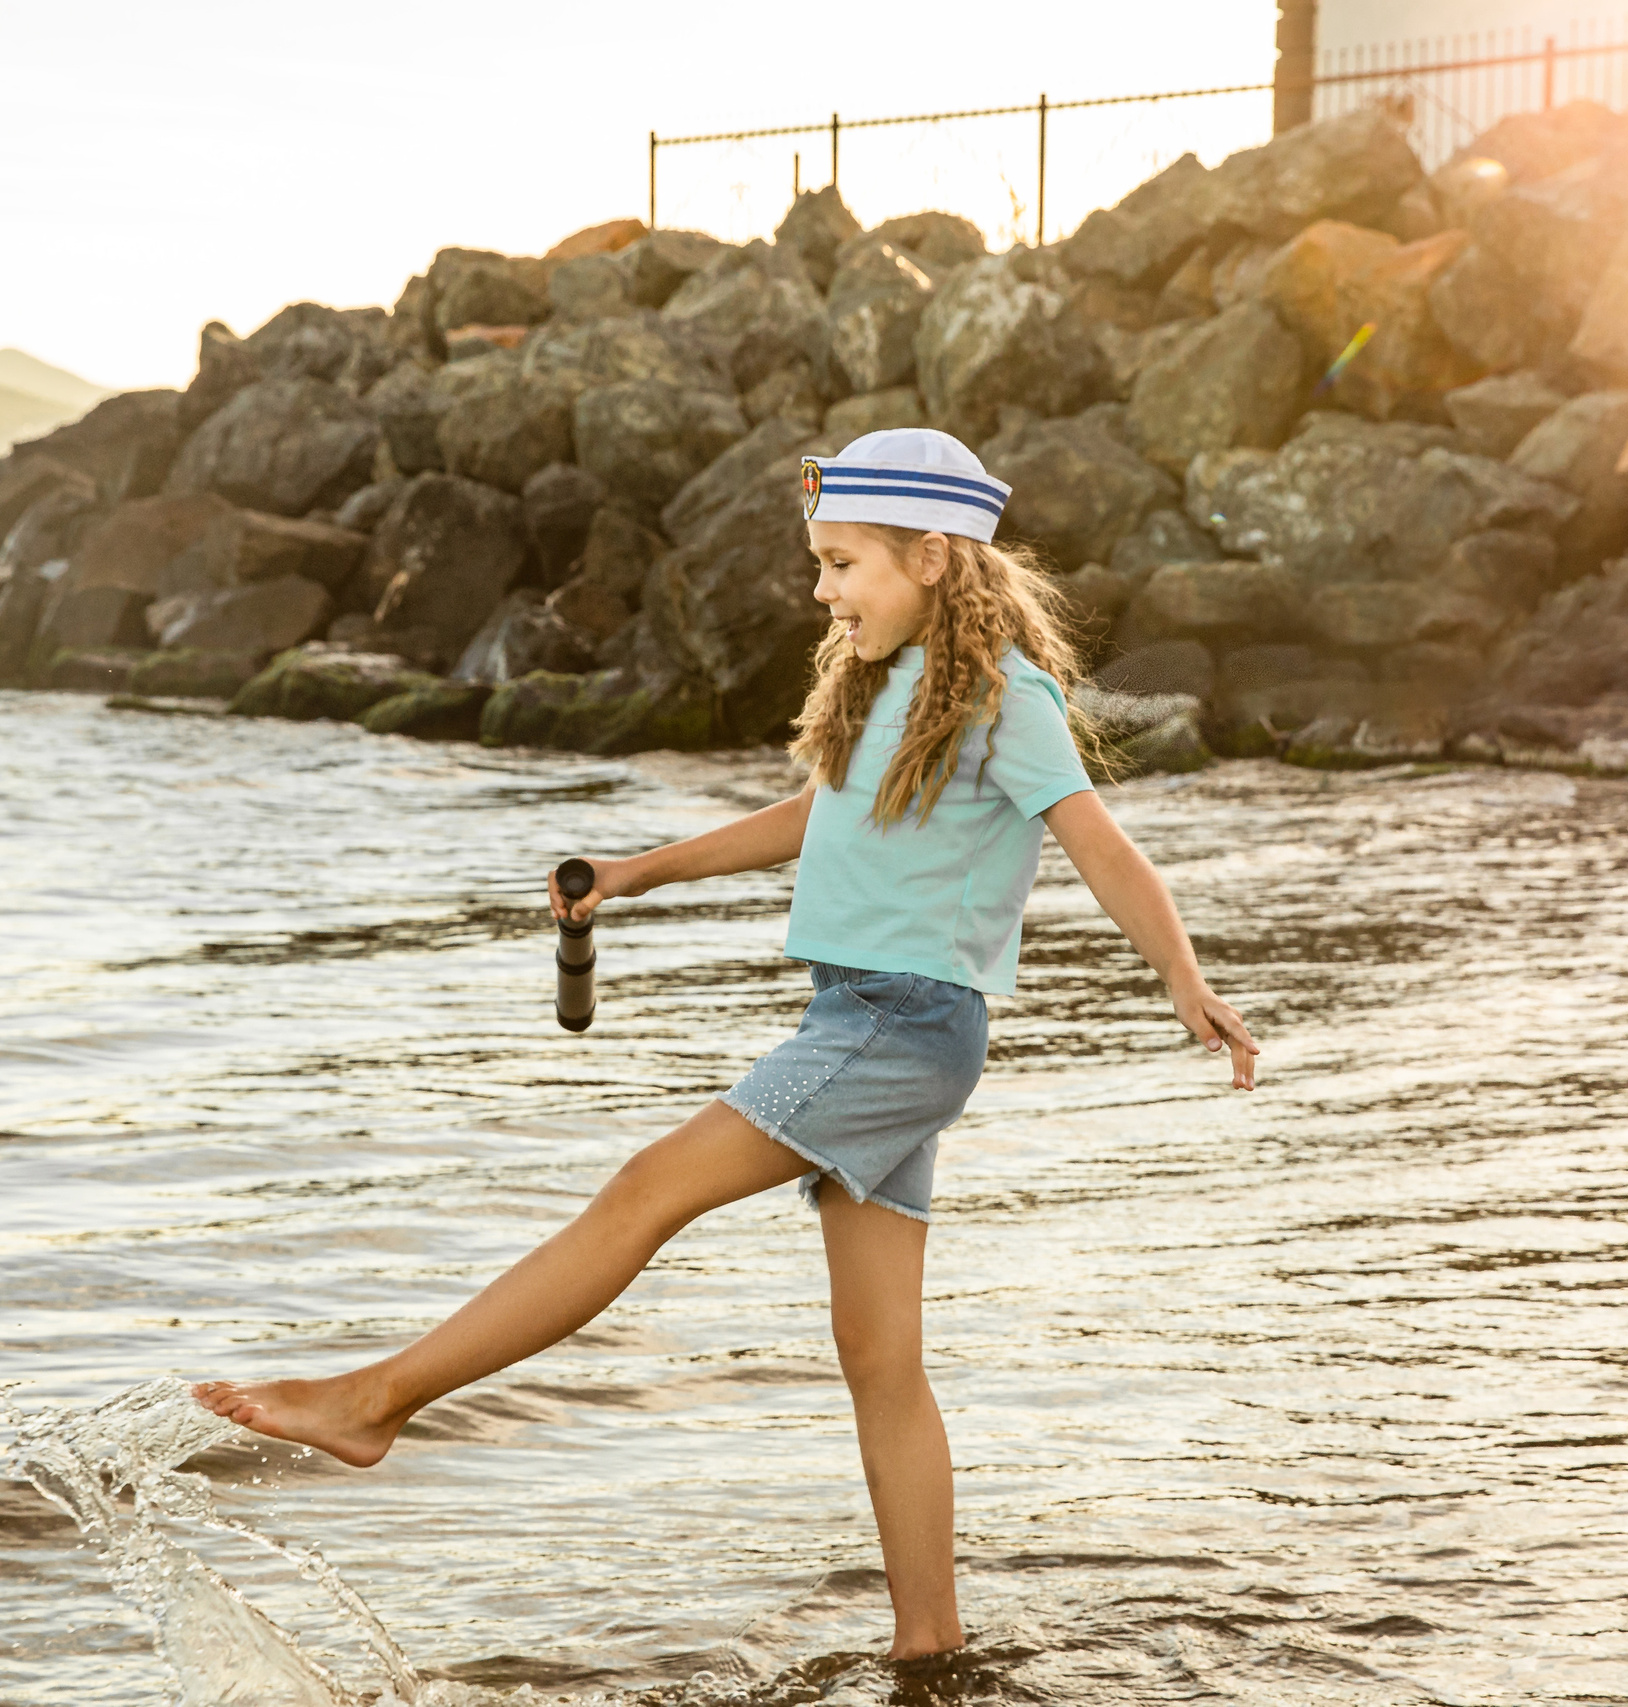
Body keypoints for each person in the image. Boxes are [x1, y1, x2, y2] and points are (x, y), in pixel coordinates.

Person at [194, 428, 1259, 1660]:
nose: (822, 591)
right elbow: (813, 817)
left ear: (929, 557)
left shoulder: (1003, 693)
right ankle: (931, 1644)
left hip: (900, 1025)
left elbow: (1099, 841)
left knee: (644, 1191)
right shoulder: (881, 683)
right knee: (879, 1358)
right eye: (820, 564)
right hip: (862, 1019)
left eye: (842, 562)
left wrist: (1183, 980)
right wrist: (644, 874)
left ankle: (375, 1400)